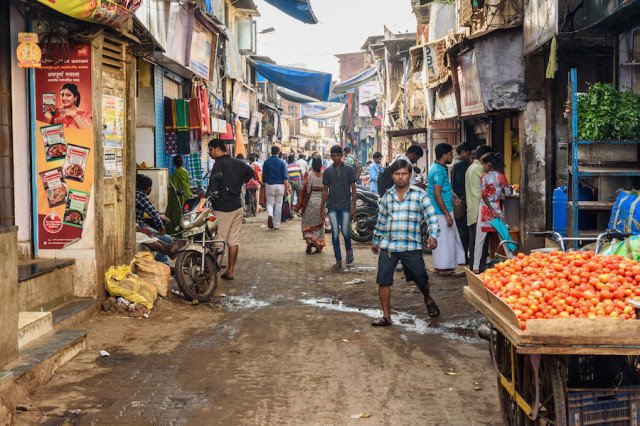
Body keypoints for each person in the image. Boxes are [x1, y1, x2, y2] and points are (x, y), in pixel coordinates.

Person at [371, 159, 441, 326]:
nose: (400, 177)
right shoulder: (387, 197)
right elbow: (381, 221)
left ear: (409, 175)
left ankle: (428, 298)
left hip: (411, 245)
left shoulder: (419, 195)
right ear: (392, 175)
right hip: (389, 246)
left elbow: (431, 216)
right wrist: (375, 240)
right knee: (383, 279)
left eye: (404, 174)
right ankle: (386, 317)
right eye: (397, 174)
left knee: (421, 278)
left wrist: (433, 235)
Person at [206, 139, 255, 280]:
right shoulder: (238, 162)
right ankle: (230, 271)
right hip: (237, 206)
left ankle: (210, 273)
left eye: (210, 150)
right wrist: (238, 184)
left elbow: (213, 183)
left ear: (216, 149)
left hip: (223, 207)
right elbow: (250, 172)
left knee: (219, 240)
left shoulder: (219, 164)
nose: (209, 153)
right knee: (233, 241)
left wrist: (205, 198)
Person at [427, 143, 465, 275]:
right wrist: (447, 215)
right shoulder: (438, 171)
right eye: (450, 154)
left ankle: (446, 266)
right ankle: (443, 267)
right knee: (443, 240)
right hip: (440, 211)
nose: (452, 156)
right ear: (444, 155)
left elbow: (443, 188)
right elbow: (437, 195)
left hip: (444, 209)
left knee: (448, 238)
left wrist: (452, 194)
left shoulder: (440, 167)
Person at [320, 145, 357, 269]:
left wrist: (354, 205)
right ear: (331, 156)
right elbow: (325, 190)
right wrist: (322, 208)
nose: (336, 158)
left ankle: (349, 250)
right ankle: (338, 260)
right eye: (333, 156)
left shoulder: (349, 170)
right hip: (332, 206)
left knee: (345, 231)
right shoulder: (328, 171)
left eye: (338, 155)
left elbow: (353, 188)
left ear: (342, 155)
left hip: (345, 205)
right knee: (335, 233)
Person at [472, 152, 509, 273]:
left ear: (489, 164)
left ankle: (476, 267)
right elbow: (507, 193)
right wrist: (499, 198)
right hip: (497, 209)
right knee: (503, 236)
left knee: (479, 240)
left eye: (483, 164)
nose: (483, 166)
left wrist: (490, 209)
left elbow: (483, 195)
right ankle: (512, 260)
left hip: (485, 210)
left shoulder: (483, 177)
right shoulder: (501, 176)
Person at [465, 144, 493, 269]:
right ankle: (480, 269)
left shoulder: (471, 168)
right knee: (481, 243)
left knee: (474, 242)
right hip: (480, 210)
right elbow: (485, 192)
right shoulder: (480, 169)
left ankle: (474, 268)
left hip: (472, 209)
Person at [136, 174, 173, 263]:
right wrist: (161, 228)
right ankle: (163, 263)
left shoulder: (136, 193)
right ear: (149, 188)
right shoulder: (141, 196)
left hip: (139, 225)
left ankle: (166, 256)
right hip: (137, 227)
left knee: (155, 237)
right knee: (166, 238)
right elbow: (153, 214)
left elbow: (152, 212)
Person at [293, 157, 325, 254]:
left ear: (312, 165)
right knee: (319, 225)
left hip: (310, 202)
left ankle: (310, 241)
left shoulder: (309, 175)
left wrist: (299, 205)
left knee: (307, 223)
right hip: (321, 202)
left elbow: (304, 190)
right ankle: (317, 244)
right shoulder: (324, 175)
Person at [451, 143, 473, 264]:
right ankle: (463, 257)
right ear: (463, 152)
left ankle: (462, 256)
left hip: (459, 200)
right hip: (462, 202)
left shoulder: (455, 165)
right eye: (469, 153)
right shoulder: (462, 165)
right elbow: (461, 184)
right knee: (463, 231)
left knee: (461, 230)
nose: (470, 156)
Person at [262, 146, 291, 230]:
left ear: (271, 152)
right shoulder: (282, 163)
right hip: (280, 186)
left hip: (270, 185)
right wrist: (287, 188)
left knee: (270, 203)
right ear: (278, 152)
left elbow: (264, 177)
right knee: (278, 205)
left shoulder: (266, 162)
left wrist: (264, 186)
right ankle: (276, 224)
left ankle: (270, 215)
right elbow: (285, 177)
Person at [166, 156, 192, 235]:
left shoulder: (176, 174)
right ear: (182, 163)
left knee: (175, 213)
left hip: (178, 197)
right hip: (186, 195)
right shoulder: (186, 172)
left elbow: (173, 188)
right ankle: (185, 231)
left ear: (174, 164)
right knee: (185, 213)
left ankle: (176, 232)